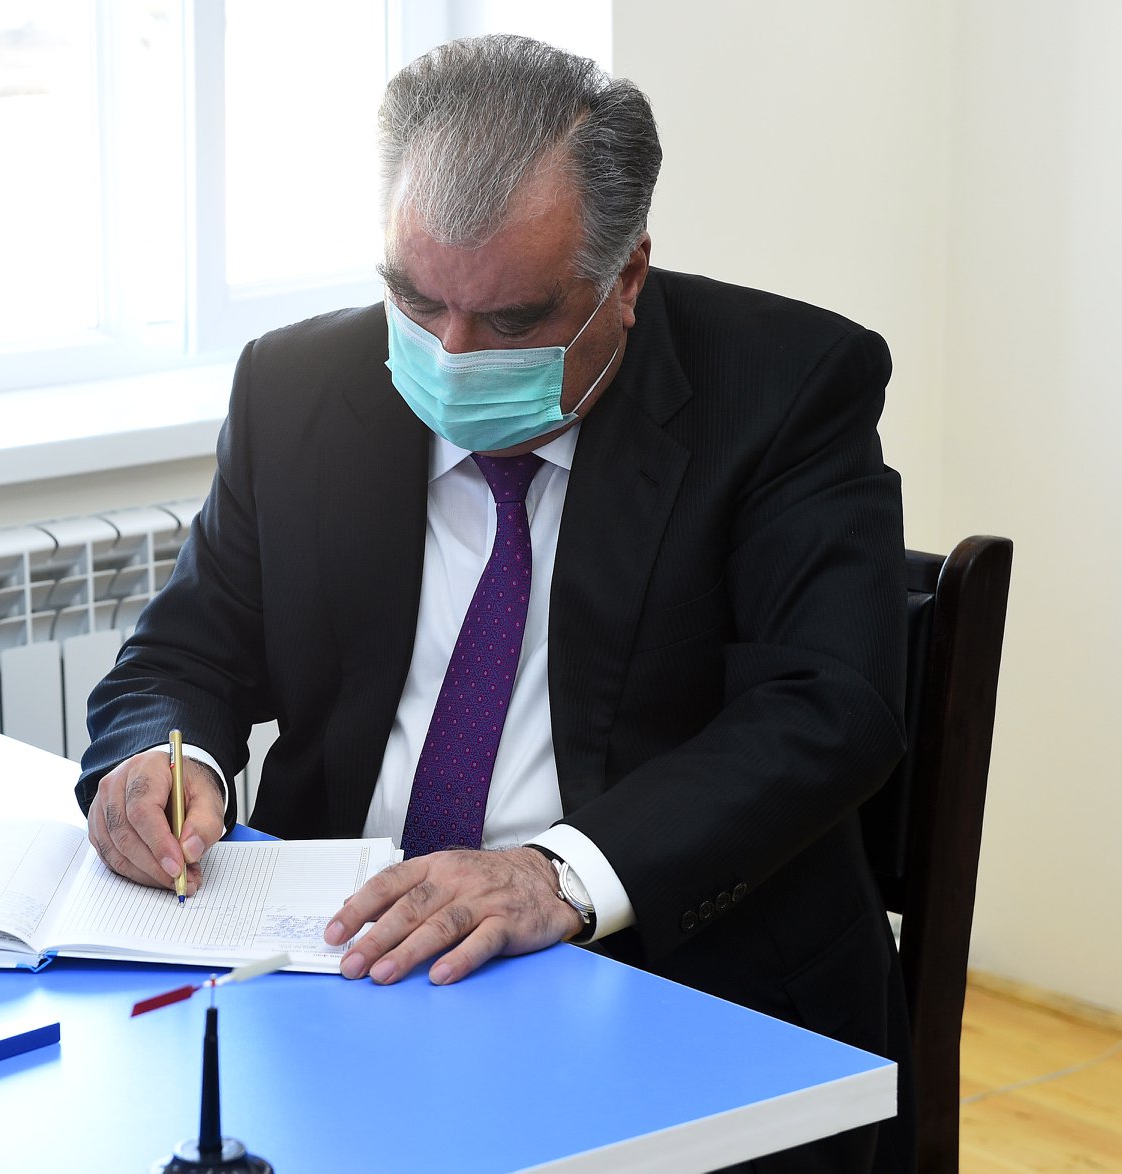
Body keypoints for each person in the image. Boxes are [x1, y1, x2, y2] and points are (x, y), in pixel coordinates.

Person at [78, 34, 912, 1170]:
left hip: (664, 977)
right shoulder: (296, 386)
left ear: (626, 276)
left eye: (513, 321)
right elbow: (188, 651)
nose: (453, 356)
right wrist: (164, 761)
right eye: (416, 301)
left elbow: (828, 706)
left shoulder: (785, 385)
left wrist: (556, 875)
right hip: (335, 968)